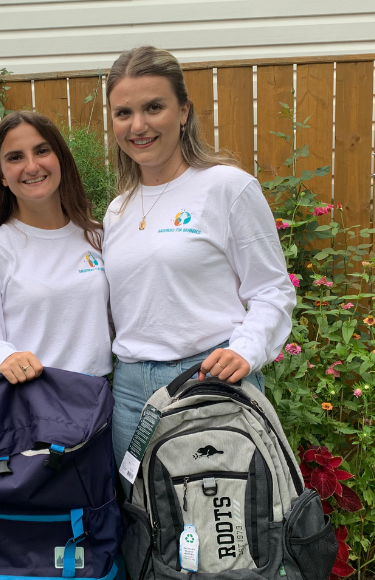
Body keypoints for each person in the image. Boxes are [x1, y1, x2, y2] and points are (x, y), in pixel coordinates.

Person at [101, 46, 297, 465]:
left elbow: (273, 290)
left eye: (154, 107)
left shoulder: (227, 187)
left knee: (220, 521)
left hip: (208, 379)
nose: (139, 125)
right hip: (131, 390)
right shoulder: (117, 210)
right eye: (123, 113)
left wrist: (246, 350)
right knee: (144, 520)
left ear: (184, 111)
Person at [0, 111, 111, 382]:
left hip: (97, 405)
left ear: (61, 160)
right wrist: (4, 357)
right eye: (15, 157)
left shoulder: (97, 236)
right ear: (2, 177)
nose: (32, 166)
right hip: (31, 404)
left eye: (41, 151)